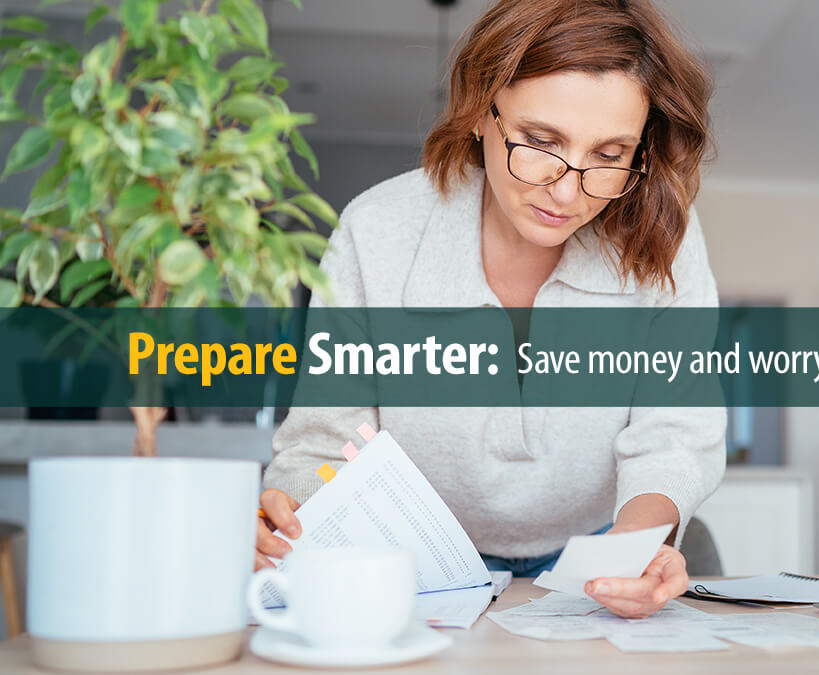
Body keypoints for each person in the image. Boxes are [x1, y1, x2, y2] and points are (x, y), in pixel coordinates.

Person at [256, 0, 725, 619]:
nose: (567, 190)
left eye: (610, 155)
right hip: (414, 561)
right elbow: (324, 443)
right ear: (481, 111)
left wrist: (635, 548)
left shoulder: (662, 233)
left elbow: (675, 430)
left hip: (598, 549)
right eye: (539, 141)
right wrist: (293, 518)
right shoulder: (378, 228)